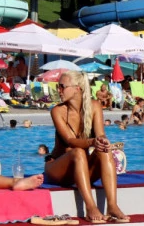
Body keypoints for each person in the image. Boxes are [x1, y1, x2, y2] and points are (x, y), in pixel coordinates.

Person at [45, 71, 129, 224]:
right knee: (77, 152)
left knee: (104, 150)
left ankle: (112, 205)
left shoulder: (94, 106)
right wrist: (92, 142)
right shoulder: (57, 111)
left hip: (81, 169)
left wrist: (102, 141)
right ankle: (90, 207)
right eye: (58, 87)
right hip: (58, 170)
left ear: (77, 88)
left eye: (62, 86)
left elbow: (100, 134)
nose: (58, 90)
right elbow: (70, 141)